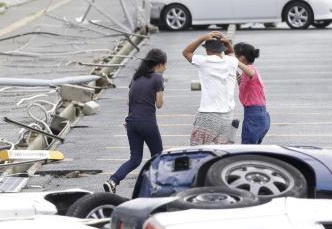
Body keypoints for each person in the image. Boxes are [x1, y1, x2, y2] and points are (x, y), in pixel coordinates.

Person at [103, 48, 168, 193]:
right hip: (147, 122)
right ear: (159, 65)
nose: (166, 67)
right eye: (165, 64)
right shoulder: (158, 78)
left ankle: (113, 180)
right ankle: (156, 186)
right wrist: (161, 89)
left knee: (135, 159)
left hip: (132, 122)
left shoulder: (136, 77)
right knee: (158, 156)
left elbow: (128, 101)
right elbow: (159, 104)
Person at [182, 31, 252, 145]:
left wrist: (201, 38)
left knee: (197, 151)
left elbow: (186, 52)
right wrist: (227, 42)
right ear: (222, 49)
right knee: (223, 153)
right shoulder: (232, 61)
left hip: (208, 115)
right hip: (228, 117)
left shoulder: (204, 61)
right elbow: (231, 53)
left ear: (207, 49)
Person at [233, 42, 267, 144]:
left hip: (254, 116)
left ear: (242, 58)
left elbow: (251, 73)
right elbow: (246, 88)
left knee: (247, 149)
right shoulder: (245, 73)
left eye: (236, 56)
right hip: (257, 114)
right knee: (253, 149)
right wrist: (238, 78)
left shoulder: (251, 70)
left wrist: (234, 62)